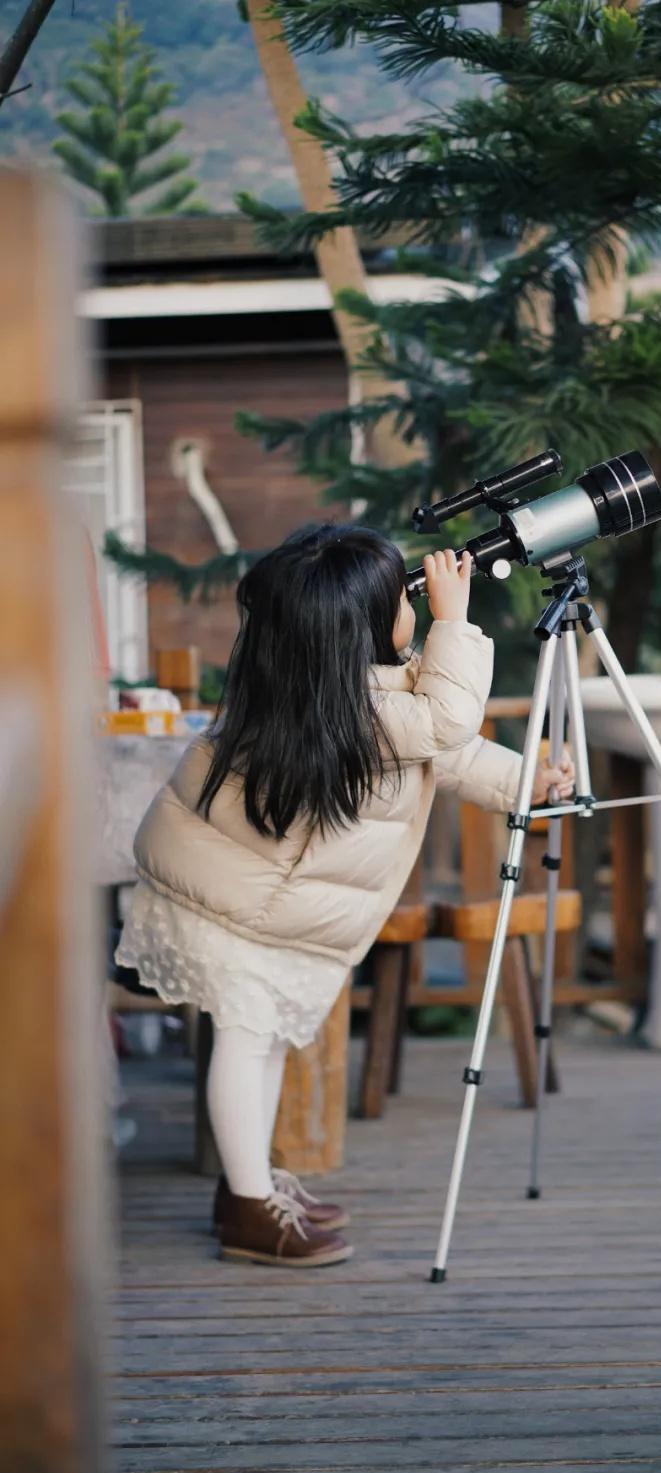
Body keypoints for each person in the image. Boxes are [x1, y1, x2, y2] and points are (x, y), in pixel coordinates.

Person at [116, 525, 573, 1268]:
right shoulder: (359, 706)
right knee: (245, 1040)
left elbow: (443, 752)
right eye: (404, 599)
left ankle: (248, 1191)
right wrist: (454, 619)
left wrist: (525, 781)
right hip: (231, 901)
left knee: (255, 1043)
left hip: (248, 895)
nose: (416, 607)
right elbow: (442, 723)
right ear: (353, 630)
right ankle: (251, 1208)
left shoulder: (339, 689)